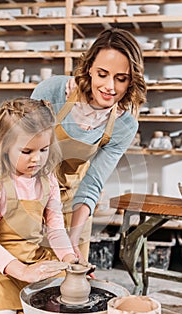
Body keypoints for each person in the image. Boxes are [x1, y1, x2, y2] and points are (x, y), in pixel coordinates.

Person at [0, 97, 77, 314]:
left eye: (44, 149)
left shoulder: (48, 181)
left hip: (35, 261)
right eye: (27, 151)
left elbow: (56, 230)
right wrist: (20, 271)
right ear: (5, 146)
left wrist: (71, 259)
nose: (36, 159)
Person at [31, 28, 147, 260]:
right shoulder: (52, 92)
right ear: (89, 69)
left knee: (71, 281)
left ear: (132, 80)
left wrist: (72, 239)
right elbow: (17, 150)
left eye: (121, 79)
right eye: (102, 74)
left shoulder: (124, 125)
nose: (110, 87)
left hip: (76, 207)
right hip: (32, 197)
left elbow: (92, 183)